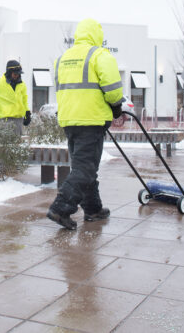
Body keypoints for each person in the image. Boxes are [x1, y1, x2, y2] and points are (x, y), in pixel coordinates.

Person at [46, 18, 124, 230]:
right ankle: (61, 208)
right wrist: (116, 106)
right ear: (97, 35)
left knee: (84, 168)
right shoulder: (99, 55)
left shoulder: (62, 59)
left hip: (69, 121)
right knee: (85, 170)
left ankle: (93, 209)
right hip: (91, 120)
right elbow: (114, 90)